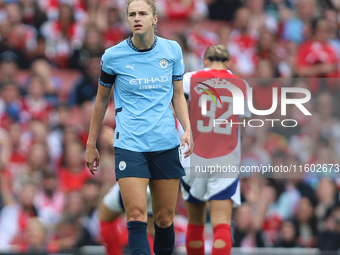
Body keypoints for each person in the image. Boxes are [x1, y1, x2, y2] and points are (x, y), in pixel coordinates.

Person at [84, 0, 193, 254]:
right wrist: (90, 144)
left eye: (143, 13)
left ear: (154, 19)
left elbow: (178, 96)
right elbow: (101, 100)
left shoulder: (172, 50)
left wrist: (187, 129)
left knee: (165, 219)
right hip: (130, 144)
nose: (137, 18)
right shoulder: (113, 56)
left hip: (165, 143)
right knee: (135, 214)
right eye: (132, 13)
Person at [180, 45, 251, 255]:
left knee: (195, 224)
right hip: (225, 159)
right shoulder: (241, 84)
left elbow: (173, 105)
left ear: (205, 60)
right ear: (228, 63)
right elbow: (243, 128)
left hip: (192, 157)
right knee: (221, 225)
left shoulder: (188, 79)